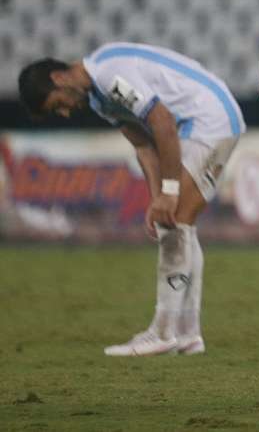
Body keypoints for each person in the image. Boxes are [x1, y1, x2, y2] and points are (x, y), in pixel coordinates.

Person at [18, 43, 246, 357]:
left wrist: (168, 193)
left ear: (59, 78)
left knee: (176, 222)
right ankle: (188, 334)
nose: (65, 111)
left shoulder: (109, 76)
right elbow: (143, 146)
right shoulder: (101, 100)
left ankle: (163, 332)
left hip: (207, 120)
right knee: (178, 223)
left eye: (57, 104)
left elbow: (162, 121)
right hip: (206, 120)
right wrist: (157, 199)